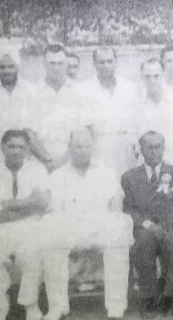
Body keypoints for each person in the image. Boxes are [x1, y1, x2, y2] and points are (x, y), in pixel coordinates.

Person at [41, 129, 133, 320]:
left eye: (86, 147)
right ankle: (58, 306)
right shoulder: (58, 175)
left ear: (92, 148)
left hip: (101, 226)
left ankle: (115, 304)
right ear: (69, 148)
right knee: (52, 238)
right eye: (77, 146)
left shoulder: (106, 172)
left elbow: (116, 205)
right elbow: (54, 211)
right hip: (70, 228)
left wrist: (109, 225)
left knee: (119, 231)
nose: (81, 151)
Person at [0, 130, 52, 320]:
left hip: (30, 227)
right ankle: (0, 307)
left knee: (30, 254)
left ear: (28, 149)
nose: (16, 151)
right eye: (11, 146)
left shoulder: (37, 170)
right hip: (0, 229)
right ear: (2, 148)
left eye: (21, 147)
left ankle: (31, 305)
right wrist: (30, 202)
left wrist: (13, 204)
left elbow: (44, 202)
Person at [122, 131, 173, 316]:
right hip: (145, 228)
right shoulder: (130, 177)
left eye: (158, 147)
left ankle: (170, 297)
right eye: (149, 147)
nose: (154, 152)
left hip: (170, 226)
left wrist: (165, 226)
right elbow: (129, 209)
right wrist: (149, 225)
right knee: (143, 242)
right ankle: (148, 298)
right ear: (141, 150)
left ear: (164, 148)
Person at [79, 48, 138, 173]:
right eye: (101, 62)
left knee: (127, 187)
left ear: (116, 62)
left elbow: (135, 120)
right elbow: (85, 128)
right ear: (94, 64)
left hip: (126, 149)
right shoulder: (84, 89)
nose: (106, 66)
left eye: (109, 61)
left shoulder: (129, 87)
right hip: (100, 148)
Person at [0, 47, 38, 172]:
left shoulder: (30, 90)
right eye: (2, 67)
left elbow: (33, 130)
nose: (7, 71)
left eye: (11, 66)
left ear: (17, 67)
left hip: (26, 153)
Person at [32, 44, 91, 169]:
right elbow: (29, 133)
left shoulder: (79, 92)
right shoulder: (33, 92)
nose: (56, 68)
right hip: (39, 162)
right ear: (44, 64)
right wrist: (47, 160)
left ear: (66, 64)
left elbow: (85, 131)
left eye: (60, 63)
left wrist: (62, 161)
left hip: (71, 162)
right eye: (52, 63)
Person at [132, 59, 173, 168]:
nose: (152, 80)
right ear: (141, 77)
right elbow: (134, 147)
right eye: (147, 76)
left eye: (156, 76)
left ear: (163, 75)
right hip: (145, 168)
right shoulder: (136, 106)